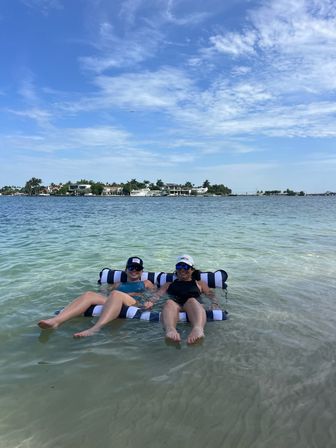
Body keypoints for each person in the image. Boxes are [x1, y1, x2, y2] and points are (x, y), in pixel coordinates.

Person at [38, 257, 155, 337]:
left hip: (134, 303)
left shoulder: (146, 283)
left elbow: (154, 296)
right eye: (131, 268)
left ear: (142, 271)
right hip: (115, 300)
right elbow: (104, 293)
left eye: (137, 268)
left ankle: (95, 328)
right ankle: (55, 321)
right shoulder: (117, 284)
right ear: (125, 270)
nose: (134, 271)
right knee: (89, 294)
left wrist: (149, 302)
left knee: (115, 294)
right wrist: (102, 291)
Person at [147, 255, 220, 344]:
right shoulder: (168, 284)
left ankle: (198, 329)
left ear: (192, 270)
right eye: (179, 266)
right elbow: (158, 295)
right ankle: (170, 330)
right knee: (169, 302)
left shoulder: (199, 283)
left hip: (192, 306)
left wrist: (215, 303)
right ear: (176, 269)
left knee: (192, 300)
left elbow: (211, 295)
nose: (182, 269)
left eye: (185, 266)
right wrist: (151, 302)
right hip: (175, 305)